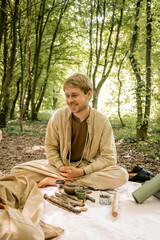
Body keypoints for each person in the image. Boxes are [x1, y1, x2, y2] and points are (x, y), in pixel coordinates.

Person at [36, 73, 128, 189]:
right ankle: (67, 179)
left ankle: (63, 182)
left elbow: (109, 157)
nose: (69, 100)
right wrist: (61, 167)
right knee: (18, 170)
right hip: (60, 168)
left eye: (74, 95)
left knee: (122, 175)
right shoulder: (58, 116)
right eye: (67, 96)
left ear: (88, 94)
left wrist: (82, 171)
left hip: (87, 170)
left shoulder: (102, 121)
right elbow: (50, 147)